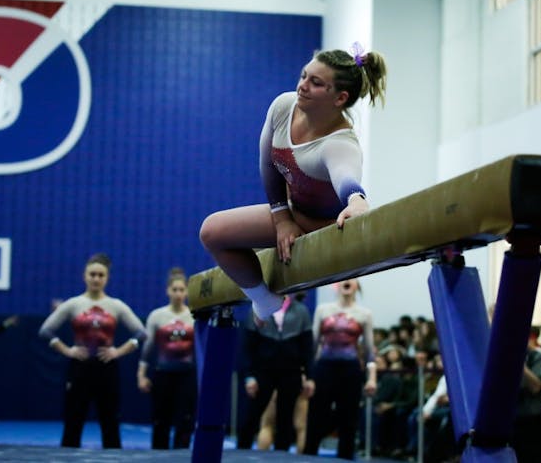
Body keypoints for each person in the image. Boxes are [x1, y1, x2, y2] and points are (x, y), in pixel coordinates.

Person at [199, 45, 387, 322]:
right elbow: (267, 164)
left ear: (340, 98)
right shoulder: (283, 107)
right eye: (303, 76)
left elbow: (347, 179)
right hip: (291, 212)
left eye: (316, 83)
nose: (302, 86)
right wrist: (281, 218)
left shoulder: (339, 143)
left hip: (323, 226)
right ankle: (264, 300)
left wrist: (357, 201)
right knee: (212, 231)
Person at [38, 253, 146, 449]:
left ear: (107, 278)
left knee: (110, 420)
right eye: (92, 274)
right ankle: (67, 457)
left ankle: (114, 457)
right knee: (74, 419)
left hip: (107, 368)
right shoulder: (73, 304)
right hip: (80, 368)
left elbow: (140, 333)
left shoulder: (115, 306)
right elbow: (45, 331)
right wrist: (67, 350)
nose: (96, 279)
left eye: (100, 275)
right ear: (85, 276)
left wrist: (119, 351)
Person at [303, 278, 377, 460]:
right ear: (336, 285)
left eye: (352, 279)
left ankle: (345, 457)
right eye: (344, 279)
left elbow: (369, 351)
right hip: (324, 368)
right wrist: (306, 374)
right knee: (316, 417)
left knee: (348, 420)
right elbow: (312, 345)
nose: (348, 281)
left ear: (357, 286)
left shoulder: (364, 314)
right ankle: (307, 456)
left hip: (350, 370)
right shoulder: (323, 310)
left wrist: (372, 378)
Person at [236, 292, 314, 452]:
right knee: (252, 415)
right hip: (263, 371)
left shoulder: (301, 311)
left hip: (291, 372)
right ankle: (241, 451)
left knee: (285, 419)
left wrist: (310, 376)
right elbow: (248, 348)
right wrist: (249, 376)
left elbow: (307, 348)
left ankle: (281, 456)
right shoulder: (258, 309)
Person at [137, 267, 196, 450]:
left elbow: (202, 350)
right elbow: (147, 349)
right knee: (160, 419)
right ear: (167, 291)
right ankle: (158, 455)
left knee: (185, 419)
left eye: (181, 290)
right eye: (174, 289)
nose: (178, 294)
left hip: (186, 374)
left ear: (187, 291)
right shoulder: (157, 315)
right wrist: (141, 375)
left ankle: (181, 455)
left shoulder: (194, 315)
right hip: (163, 373)